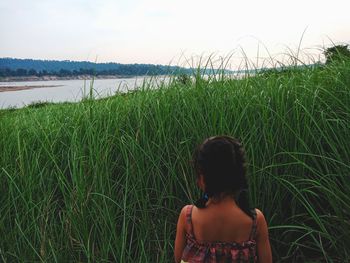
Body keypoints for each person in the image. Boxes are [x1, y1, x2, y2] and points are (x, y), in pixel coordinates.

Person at [174, 136, 272, 263]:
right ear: (239, 176)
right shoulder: (255, 221)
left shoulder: (188, 217)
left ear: (202, 178)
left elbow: (178, 259)